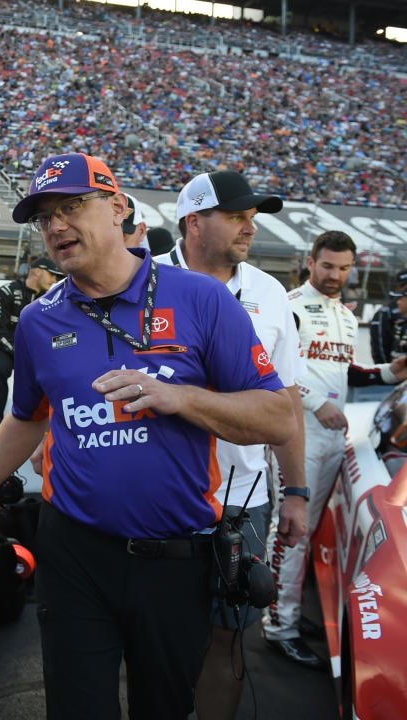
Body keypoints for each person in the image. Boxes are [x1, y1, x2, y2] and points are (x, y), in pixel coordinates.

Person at [0, 151, 295, 720]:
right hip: (74, 552)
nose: (57, 227)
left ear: (118, 207)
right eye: (45, 217)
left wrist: (180, 397)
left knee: (162, 707)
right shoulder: (40, 319)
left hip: (175, 557)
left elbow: (277, 417)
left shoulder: (201, 298)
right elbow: (27, 417)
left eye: (72, 207)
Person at [160, 170, 308, 720]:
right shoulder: (140, 280)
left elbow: (288, 403)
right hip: (160, 494)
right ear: (194, 221)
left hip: (243, 498)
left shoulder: (269, 292)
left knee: (228, 641)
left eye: (253, 216)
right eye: (237, 215)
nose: (251, 226)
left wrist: (296, 490)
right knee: (157, 639)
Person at [262, 230, 407, 668]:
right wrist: (315, 402)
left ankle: (286, 612)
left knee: (302, 532)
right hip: (295, 434)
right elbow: (267, 366)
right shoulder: (288, 306)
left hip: (329, 436)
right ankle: (277, 627)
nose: (335, 275)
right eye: (327, 266)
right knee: (289, 528)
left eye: (344, 268)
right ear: (310, 262)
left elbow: (347, 372)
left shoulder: (345, 314)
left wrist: (389, 371)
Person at [0, 255, 64, 438]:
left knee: (57, 372)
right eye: (51, 275)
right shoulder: (5, 292)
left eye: (57, 277)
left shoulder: (49, 299)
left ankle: (50, 432)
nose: (54, 280)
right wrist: (19, 353)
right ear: (38, 271)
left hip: (28, 352)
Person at [369, 268, 407, 362]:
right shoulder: (386, 312)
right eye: (404, 285)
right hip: (397, 369)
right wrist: (386, 371)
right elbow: (379, 345)